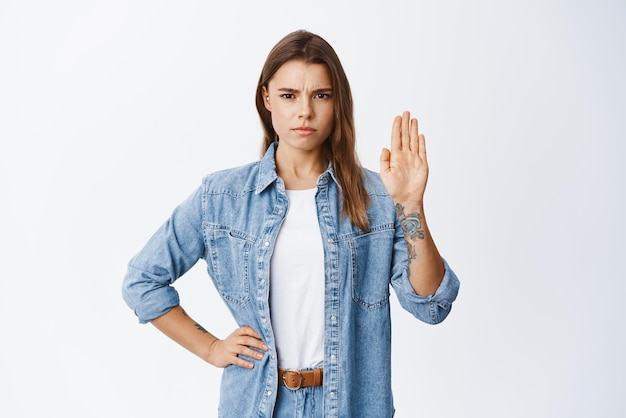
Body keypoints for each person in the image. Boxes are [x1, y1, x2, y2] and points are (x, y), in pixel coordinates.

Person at [122, 29, 460, 418]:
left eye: (321, 95)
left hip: (350, 405)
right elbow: (142, 281)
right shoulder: (222, 197)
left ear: (338, 102)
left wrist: (411, 207)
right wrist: (211, 347)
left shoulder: (379, 197)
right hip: (257, 406)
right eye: (289, 95)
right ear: (266, 98)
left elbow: (432, 305)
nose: (305, 111)